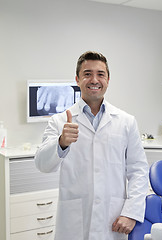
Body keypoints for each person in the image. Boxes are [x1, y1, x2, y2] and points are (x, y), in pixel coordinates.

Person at [35, 51, 149, 240]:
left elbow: (138, 170)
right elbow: (42, 164)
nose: (94, 79)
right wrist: (61, 143)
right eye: (87, 74)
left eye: (100, 74)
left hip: (112, 219)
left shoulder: (126, 121)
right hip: (74, 222)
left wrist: (131, 213)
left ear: (108, 79)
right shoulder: (59, 121)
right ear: (77, 79)